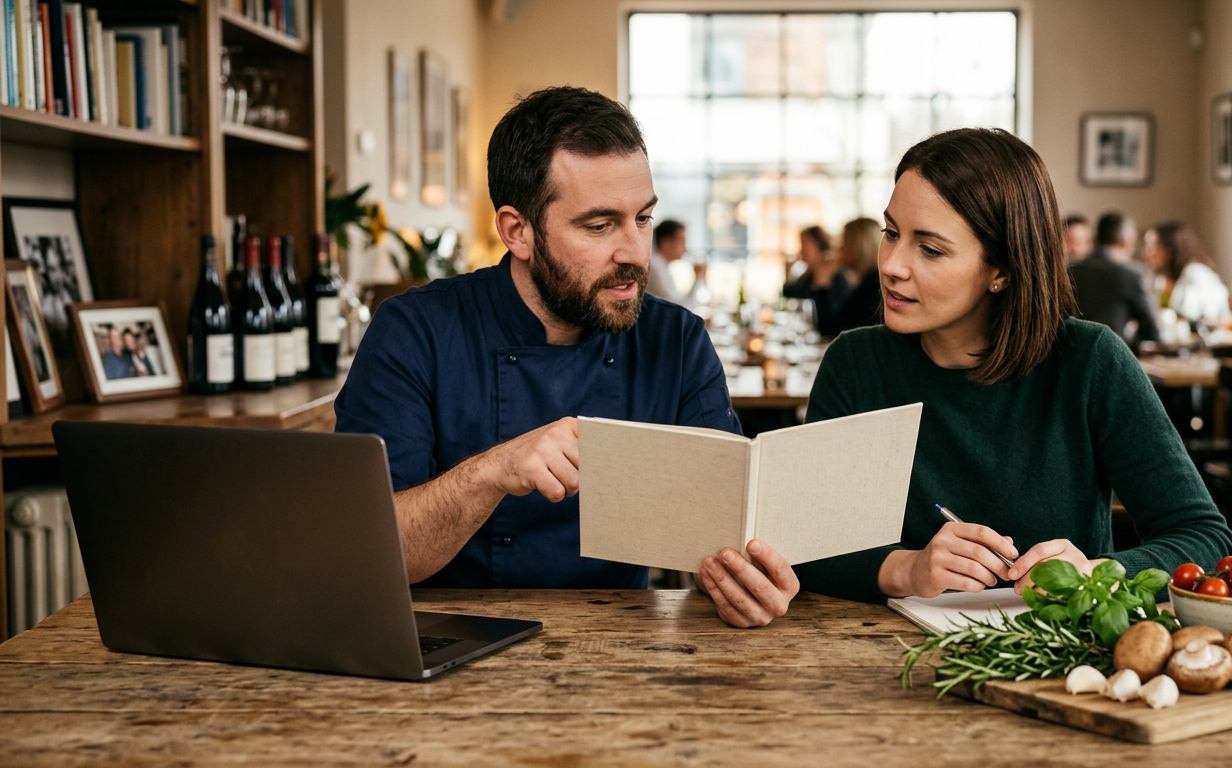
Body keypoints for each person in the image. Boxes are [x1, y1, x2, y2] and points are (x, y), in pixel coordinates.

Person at [334, 86, 797, 627]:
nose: (633, 253)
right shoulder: (415, 331)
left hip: (618, 642)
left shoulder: (675, 342)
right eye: (599, 226)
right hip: (444, 641)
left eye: (643, 219)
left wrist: (748, 580)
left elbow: (719, 529)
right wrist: (495, 469)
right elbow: (371, 549)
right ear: (517, 231)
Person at [745, 128, 1232, 607]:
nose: (892, 264)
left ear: (1001, 270)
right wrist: (909, 568)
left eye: (930, 249)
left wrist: (1098, 574)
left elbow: (1206, 538)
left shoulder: (1088, 361)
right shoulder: (855, 363)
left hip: (1057, 663)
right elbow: (805, 552)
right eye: (891, 233)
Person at [1068, 211, 1159, 347]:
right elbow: (1151, 331)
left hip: (1068, 354)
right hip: (1111, 356)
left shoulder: (1068, 270)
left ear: (1095, 239)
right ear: (1126, 242)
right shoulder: (1133, 274)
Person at [1144, 222, 1231, 328]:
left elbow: (1205, 317)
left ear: (1171, 247)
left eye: (1153, 246)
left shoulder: (1197, 273)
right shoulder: (1162, 280)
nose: (1147, 252)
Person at [815, 218, 882, 337]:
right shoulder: (867, 280)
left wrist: (823, 282)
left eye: (844, 242)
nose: (839, 249)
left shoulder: (872, 286)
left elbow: (833, 329)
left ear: (857, 246)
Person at [782, 225, 850, 315]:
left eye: (805, 245)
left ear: (819, 246)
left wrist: (821, 286)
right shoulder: (806, 277)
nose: (801, 251)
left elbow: (827, 318)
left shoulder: (837, 277)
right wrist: (787, 273)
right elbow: (791, 300)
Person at [644, 219, 691, 306]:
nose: (686, 250)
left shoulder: (660, 265)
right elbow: (676, 308)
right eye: (682, 243)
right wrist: (698, 279)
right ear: (666, 243)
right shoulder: (654, 268)